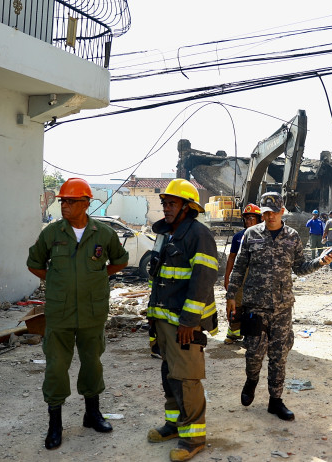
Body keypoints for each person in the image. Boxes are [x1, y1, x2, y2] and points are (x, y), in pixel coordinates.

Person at [26, 178, 129, 451]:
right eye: (63, 201)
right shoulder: (52, 233)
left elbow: (120, 260)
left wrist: (98, 276)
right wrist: (56, 280)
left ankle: (92, 414)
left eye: (71, 202)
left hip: (92, 311)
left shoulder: (103, 233)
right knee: (56, 367)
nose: (65, 206)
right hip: (59, 312)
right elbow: (34, 263)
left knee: (92, 363)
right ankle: (55, 424)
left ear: (85, 203)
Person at [226, 192, 332, 422]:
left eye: (274, 212)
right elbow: (239, 267)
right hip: (255, 306)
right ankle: (251, 380)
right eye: (266, 213)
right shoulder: (251, 235)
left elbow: (300, 267)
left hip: (282, 307)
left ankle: (275, 401)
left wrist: (321, 262)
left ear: (282, 211)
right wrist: (231, 296)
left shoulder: (292, 237)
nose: (270, 217)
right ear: (262, 213)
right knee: (253, 353)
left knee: (279, 356)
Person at [145, 179, 218, 462]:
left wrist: (189, 321)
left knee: (187, 378)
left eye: (172, 203)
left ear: (188, 207)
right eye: (164, 203)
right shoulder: (167, 235)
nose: (166, 208)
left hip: (184, 323)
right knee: (170, 375)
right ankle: (174, 425)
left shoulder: (199, 235)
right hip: (164, 320)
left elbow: (203, 281)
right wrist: (152, 319)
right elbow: (159, 279)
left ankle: (193, 438)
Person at [223, 203, 262, 344]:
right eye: (246, 218)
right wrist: (227, 278)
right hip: (241, 273)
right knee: (237, 303)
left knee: (255, 305)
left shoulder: (265, 236)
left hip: (257, 274)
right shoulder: (238, 237)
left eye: (252, 218)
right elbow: (232, 257)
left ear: (259, 219)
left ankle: (251, 335)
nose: (249, 221)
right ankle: (234, 332)